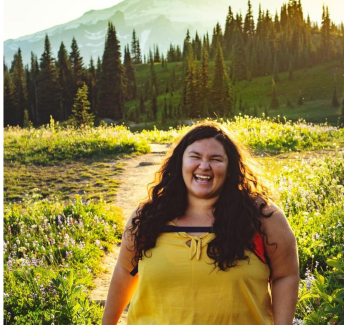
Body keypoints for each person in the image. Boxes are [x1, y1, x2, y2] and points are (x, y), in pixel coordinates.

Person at [102, 123, 298, 325]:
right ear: (180, 163)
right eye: (195, 157)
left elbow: (285, 275)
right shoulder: (149, 217)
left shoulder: (262, 217)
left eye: (215, 159)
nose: (204, 166)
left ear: (231, 168)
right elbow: (125, 271)